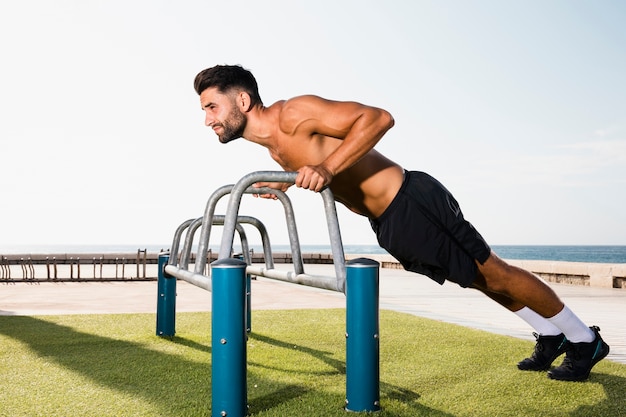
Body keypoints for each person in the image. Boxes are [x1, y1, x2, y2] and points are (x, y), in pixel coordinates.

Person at [193, 64, 609, 381]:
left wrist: (327, 167)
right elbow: (324, 173)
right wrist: (284, 186)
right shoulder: (275, 153)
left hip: (411, 200)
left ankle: (584, 340)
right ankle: (549, 334)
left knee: (494, 271)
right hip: (389, 222)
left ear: (243, 101)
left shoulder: (293, 113)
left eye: (212, 106)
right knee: (477, 279)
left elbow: (378, 118)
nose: (208, 118)